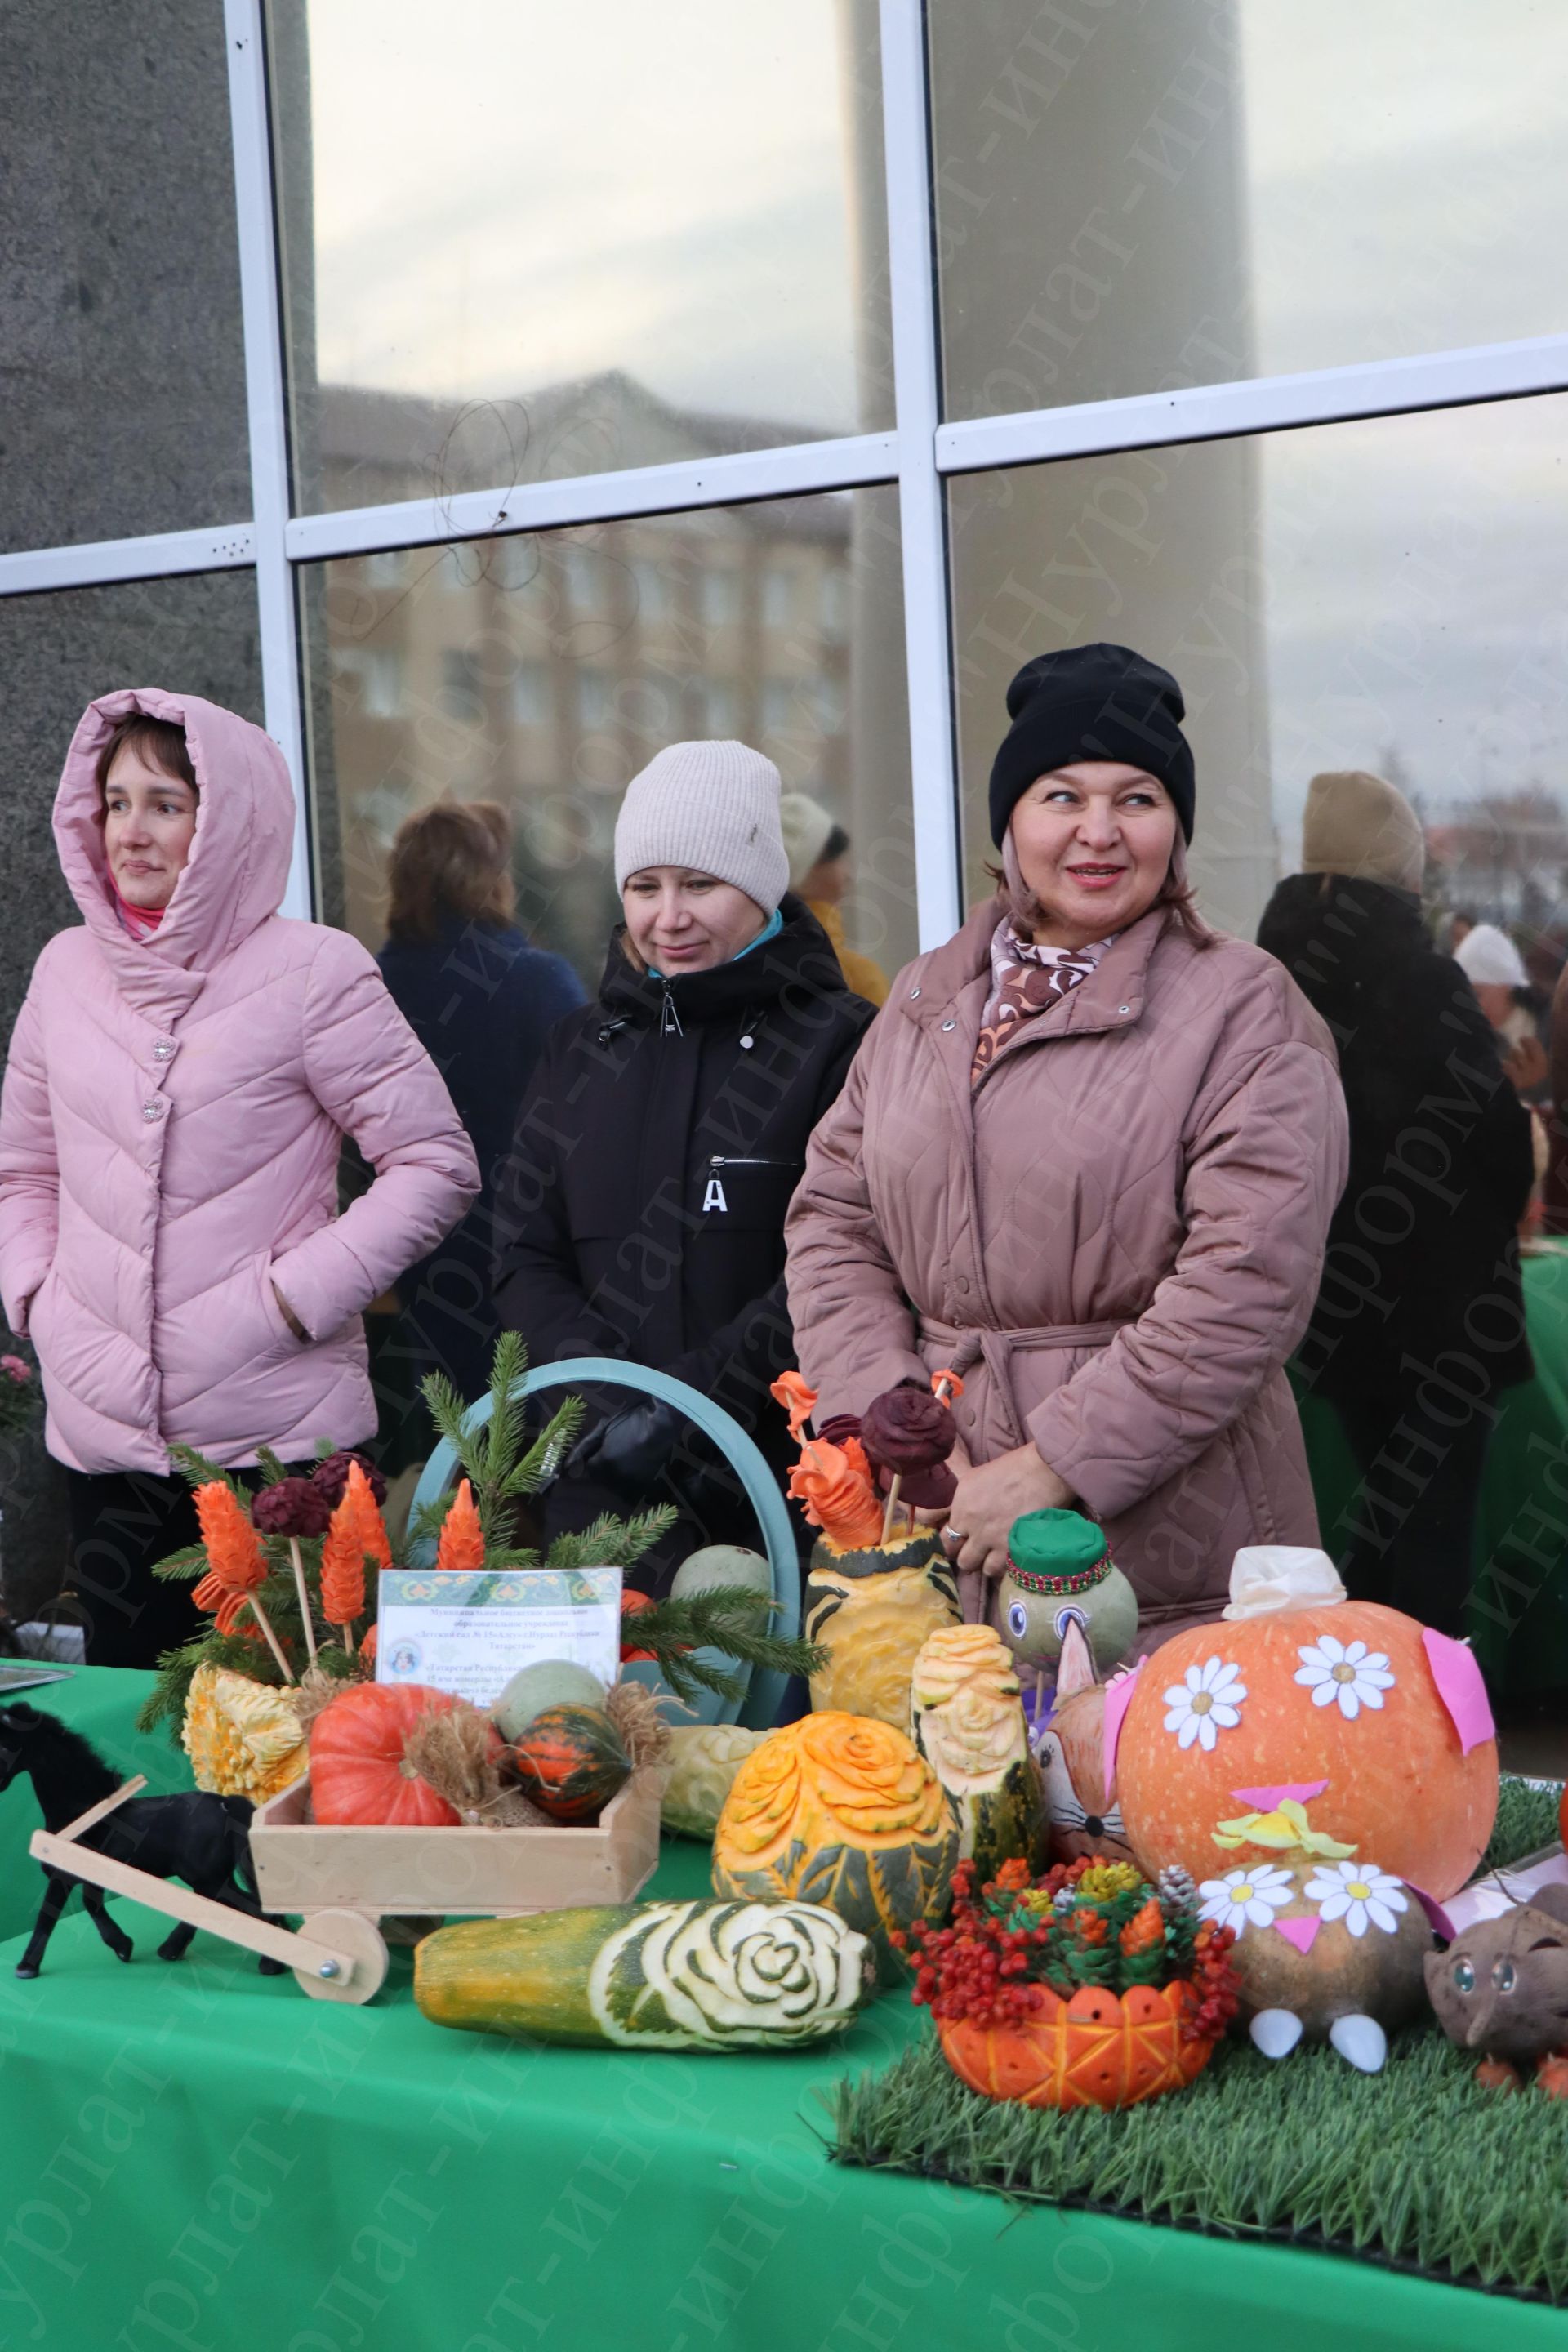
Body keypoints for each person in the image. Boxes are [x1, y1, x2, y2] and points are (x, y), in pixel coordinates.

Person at [786, 643, 1348, 1645]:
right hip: (940, 1527)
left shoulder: (1243, 1008)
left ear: (1176, 828)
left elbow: (1247, 1282)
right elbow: (835, 1218)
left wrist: (1056, 1466)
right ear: (1011, 820)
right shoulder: (923, 1000)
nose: (1098, 833)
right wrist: (894, 1423)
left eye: (1137, 799)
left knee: (1157, 1795)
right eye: (1061, 796)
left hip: (1166, 1550)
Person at [0, 690, 479, 1668]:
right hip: (103, 1448)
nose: (132, 831)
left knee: (288, 1747)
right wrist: (42, 1300)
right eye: (117, 800)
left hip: (275, 1447)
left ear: (226, 824)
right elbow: (22, 1168)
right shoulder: (64, 971)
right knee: (133, 1749)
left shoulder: (314, 973)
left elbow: (437, 1164)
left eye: (166, 804)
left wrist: (290, 1299)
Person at [492, 740, 875, 1584]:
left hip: (780, 1489)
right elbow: (523, 1252)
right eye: (644, 887)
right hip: (596, 1490)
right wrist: (597, 1404)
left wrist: (682, 1411)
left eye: (700, 884)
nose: (669, 917)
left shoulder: (841, 1043)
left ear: (764, 883)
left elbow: (839, 1265)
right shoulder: (578, 1049)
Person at [1257, 769, 1535, 1633]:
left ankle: (1359, 1720)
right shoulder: (1428, 985)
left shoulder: (1268, 985)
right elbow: (1499, 1146)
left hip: (1338, 1310)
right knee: (1432, 1544)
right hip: (1448, 1321)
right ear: (1402, 875)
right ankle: (1427, 1743)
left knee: (1382, 1522)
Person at [376, 800, 584, 1404]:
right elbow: (593, 1113)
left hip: (421, 1247)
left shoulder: (370, 985)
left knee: (456, 1438)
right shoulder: (536, 980)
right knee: (545, 1438)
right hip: (533, 1249)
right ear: (491, 880)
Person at [778, 792, 889, 1006]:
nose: (848, 876)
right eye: (837, 860)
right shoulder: (855, 974)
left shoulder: (754, 962)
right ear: (807, 874)